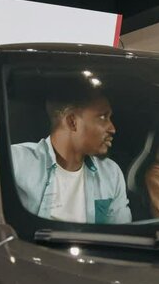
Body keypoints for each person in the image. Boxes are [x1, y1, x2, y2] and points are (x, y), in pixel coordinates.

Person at [11, 85, 131, 224]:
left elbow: (120, 235)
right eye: (103, 117)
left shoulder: (111, 173)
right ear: (72, 122)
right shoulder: (16, 161)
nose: (112, 128)